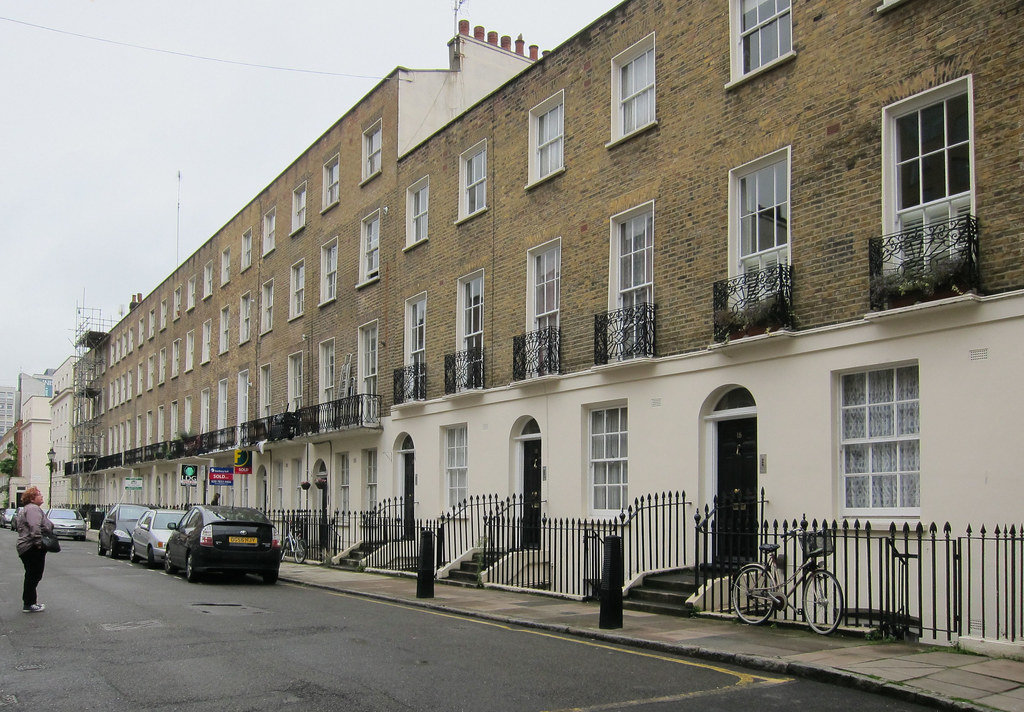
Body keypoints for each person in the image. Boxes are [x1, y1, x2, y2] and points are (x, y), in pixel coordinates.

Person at [16, 486, 54, 613]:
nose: (42, 496)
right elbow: (34, 527)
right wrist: (39, 544)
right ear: (32, 498)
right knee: (33, 575)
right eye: (39, 494)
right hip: (31, 546)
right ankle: (29, 603)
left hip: (26, 546)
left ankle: (30, 602)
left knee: (32, 575)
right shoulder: (33, 509)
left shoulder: (27, 509)